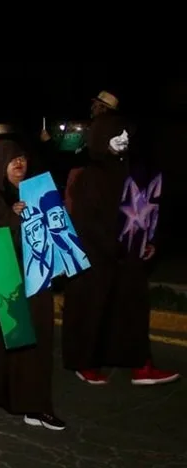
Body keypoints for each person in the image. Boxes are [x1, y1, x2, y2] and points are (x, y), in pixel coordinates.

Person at [62, 114, 179, 386]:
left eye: (126, 134)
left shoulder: (130, 172)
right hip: (97, 259)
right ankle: (86, 362)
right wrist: (113, 246)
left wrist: (149, 241)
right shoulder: (89, 176)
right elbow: (87, 222)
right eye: (118, 134)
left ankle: (141, 364)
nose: (125, 139)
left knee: (132, 311)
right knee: (94, 311)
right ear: (102, 139)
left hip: (125, 260)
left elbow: (144, 211)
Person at [0, 141, 65, 430]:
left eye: (23, 159)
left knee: (35, 347)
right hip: (6, 287)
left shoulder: (36, 195)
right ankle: (7, 398)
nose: (20, 165)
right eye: (13, 160)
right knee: (5, 349)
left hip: (35, 283)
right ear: (1, 165)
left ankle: (34, 404)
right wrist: (12, 217)